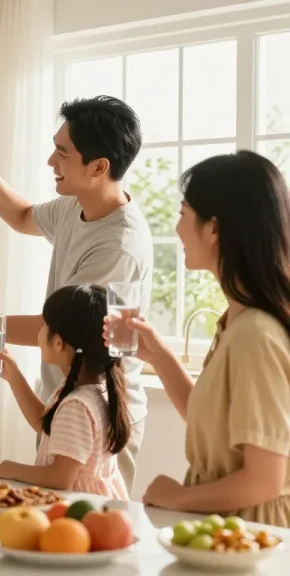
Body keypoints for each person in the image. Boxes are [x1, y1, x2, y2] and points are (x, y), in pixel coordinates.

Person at [0, 96, 152, 492]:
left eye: (62, 152)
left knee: (93, 532)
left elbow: (63, 328)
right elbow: (23, 217)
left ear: (98, 166)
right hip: (66, 398)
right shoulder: (76, 206)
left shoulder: (119, 246)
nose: (50, 162)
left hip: (103, 412)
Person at [110, 151, 290, 527]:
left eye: (182, 214)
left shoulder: (256, 335)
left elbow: (263, 481)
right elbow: (205, 417)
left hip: (254, 537)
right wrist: (157, 354)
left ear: (213, 228)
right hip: (225, 531)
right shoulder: (236, 322)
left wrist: (178, 497)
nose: (176, 228)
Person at [0, 284, 130, 499]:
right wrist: (14, 377)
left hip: (78, 509)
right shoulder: (93, 389)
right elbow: (45, 424)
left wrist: (12, 469)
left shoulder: (77, 405)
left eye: (44, 325)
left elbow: (60, 477)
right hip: (96, 505)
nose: (40, 330)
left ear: (58, 343)